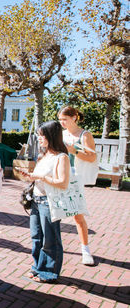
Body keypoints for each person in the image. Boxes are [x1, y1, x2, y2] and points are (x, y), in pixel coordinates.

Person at [18, 121, 70, 283]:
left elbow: (62, 182)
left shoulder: (62, 157)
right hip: (36, 199)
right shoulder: (43, 155)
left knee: (50, 238)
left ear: (52, 136)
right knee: (36, 236)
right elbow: (39, 177)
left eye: (42, 135)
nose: (39, 138)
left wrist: (40, 177)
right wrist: (30, 176)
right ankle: (38, 267)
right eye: (39, 135)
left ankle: (49, 271)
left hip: (49, 201)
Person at [58, 106, 97, 266]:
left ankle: (85, 250)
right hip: (60, 176)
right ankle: (54, 249)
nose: (62, 123)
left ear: (74, 117)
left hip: (76, 177)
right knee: (54, 213)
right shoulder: (61, 134)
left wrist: (72, 150)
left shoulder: (84, 135)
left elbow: (92, 157)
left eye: (65, 120)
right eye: (60, 120)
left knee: (77, 215)